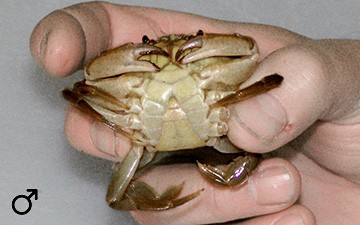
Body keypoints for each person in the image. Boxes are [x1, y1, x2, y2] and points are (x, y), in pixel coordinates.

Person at [30, 2, 360, 225]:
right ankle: (167, 199)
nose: (172, 57)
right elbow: (84, 90)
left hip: (217, 131)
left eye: (194, 45)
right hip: (140, 129)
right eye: (150, 49)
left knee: (245, 159)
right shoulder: (118, 92)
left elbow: (253, 57)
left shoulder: (231, 86)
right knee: (119, 192)